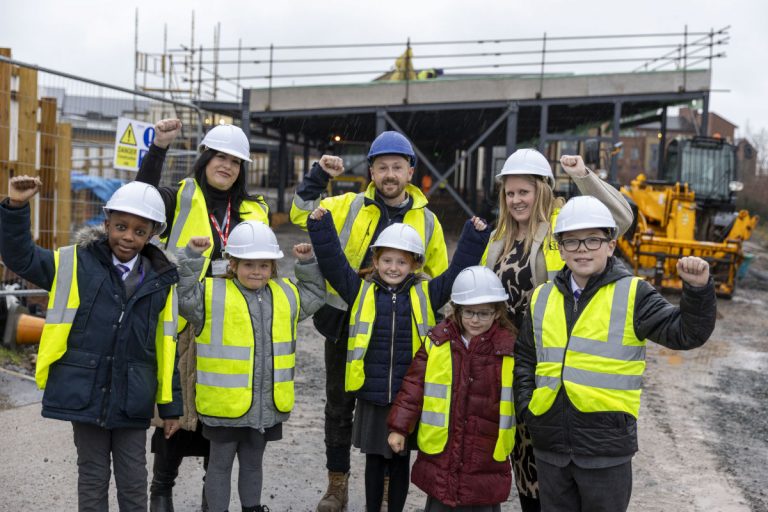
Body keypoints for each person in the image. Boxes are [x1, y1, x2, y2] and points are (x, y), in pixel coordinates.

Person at [514, 195, 716, 512]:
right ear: (561, 248)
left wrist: (698, 290)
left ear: (610, 245)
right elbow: (526, 359)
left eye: (593, 240)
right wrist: (528, 408)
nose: (582, 250)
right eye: (572, 242)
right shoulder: (542, 297)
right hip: (550, 445)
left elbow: (686, 333)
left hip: (605, 450)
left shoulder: (633, 293)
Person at [0, 177, 182, 511]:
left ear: (153, 233)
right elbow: (20, 257)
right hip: (85, 393)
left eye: (140, 232)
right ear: (106, 220)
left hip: (133, 397)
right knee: (93, 476)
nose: (128, 237)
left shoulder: (161, 280)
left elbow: (165, 346)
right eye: (121, 226)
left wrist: (171, 408)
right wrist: (15, 207)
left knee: (133, 480)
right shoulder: (73, 263)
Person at [290, 131, 449, 511]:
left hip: (399, 330)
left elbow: (442, 279)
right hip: (346, 324)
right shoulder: (347, 205)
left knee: (397, 405)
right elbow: (300, 212)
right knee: (339, 407)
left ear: (410, 171)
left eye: (397, 167)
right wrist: (318, 176)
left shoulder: (428, 222)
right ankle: (337, 484)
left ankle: (389, 485)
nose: (389, 174)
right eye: (382, 168)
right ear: (372, 172)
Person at [307, 207, 489, 512]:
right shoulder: (360, 292)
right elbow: (335, 265)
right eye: (387, 260)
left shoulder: (426, 294)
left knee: (401, 461)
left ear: (415, 264)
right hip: (373, 395)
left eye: (402, 261)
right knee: (375, 461)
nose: (393, 267)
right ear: (375, 261)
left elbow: (457, 271)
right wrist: (320, 226)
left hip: (410, 396)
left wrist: (475, 235)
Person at [482, 150, 633, 511]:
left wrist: (584, 176)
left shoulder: (563, 225)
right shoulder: (498, 237)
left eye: (524, 191)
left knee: (549, 468)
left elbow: (620, 219)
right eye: (510, 192)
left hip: (548, 367)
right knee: (520, 460)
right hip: (507, 366)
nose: (516, 199)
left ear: (543, 190)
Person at [136, 118, 270, 512]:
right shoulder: (179, 196)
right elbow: (140, 197)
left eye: (235, 161)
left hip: (230, 324)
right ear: (205, 158)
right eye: (220, 157)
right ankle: (161, 491)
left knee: (220, 417)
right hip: (182, 322)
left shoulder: (253, 209)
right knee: (175, 415)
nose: (226, 166)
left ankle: (211, 503)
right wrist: (159, 147)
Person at [177, 220, 325, 512]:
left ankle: (252, 508)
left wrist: (307, 263)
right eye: (248, 265)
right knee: (219, 464)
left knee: (253, 463)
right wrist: (192, 258)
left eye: (263, 265)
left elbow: (315, 295)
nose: (256, 272)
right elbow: (183, 296)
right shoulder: (211, 294)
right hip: (224, 407)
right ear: (233, 264)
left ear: (273, 267)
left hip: (264, 407)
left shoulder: (285, 295)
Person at [387, 266, 517, 512]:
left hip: (486, 451)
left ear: (497, 314)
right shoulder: (437, 341)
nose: (475, 320)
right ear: (456, 310)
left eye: (483, 313)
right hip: (443, 451)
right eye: (469, 312)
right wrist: (399, 428)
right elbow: (413, 387)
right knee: (441, 500)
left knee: (480, 502)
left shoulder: (508, 348)